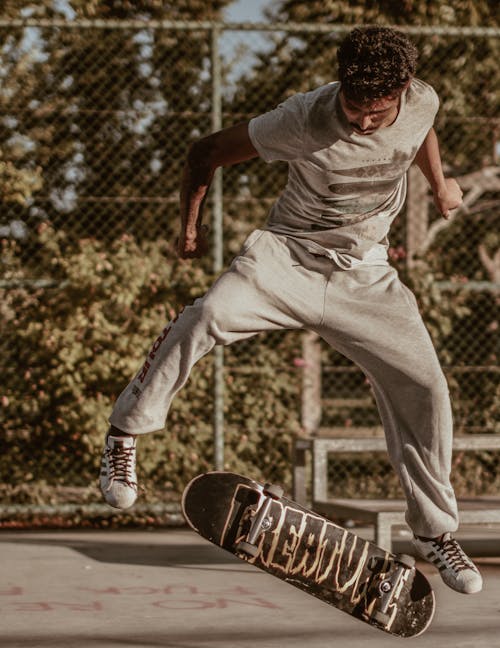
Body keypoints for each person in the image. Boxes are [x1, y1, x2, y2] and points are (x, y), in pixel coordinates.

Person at [100, 26, 482, 594]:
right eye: (354, 110)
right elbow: (205, 151)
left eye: (377, 113)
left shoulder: (421, 100)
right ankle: (124, 435)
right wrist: (188, 229)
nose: (363, 123)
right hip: (289, 258)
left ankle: (432, 531)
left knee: (425, 386)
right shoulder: (304, 117)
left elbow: (418, 130)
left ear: (402, 91)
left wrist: (441, 183)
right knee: (206, 315)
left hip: (366, 274)